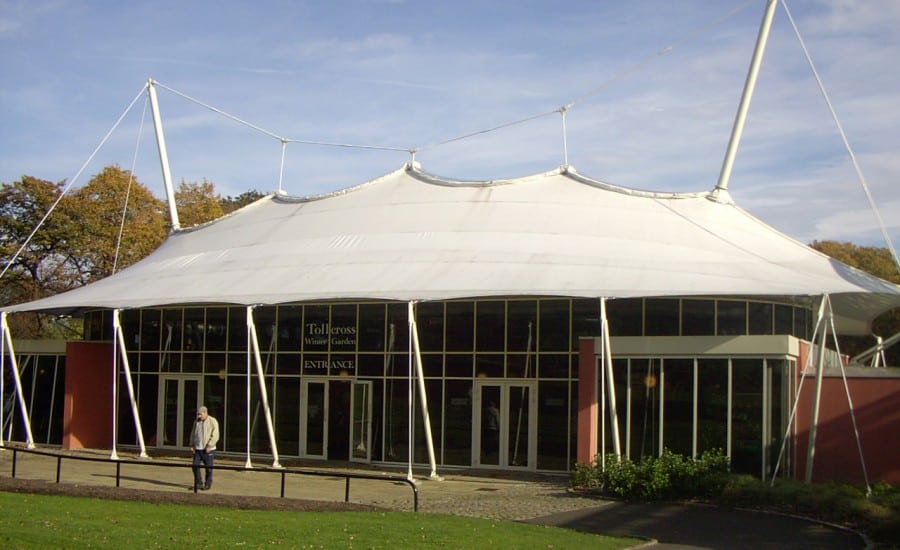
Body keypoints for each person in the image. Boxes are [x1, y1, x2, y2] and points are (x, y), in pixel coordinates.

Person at [189, 406, 219, 490]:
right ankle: (198, 483)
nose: (199, 416)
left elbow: (216, 435)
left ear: (205, 413)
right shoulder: (196, 422)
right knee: (195, 466)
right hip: (198, 449)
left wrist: (209, 445)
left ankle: (208, 484)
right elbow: (193, 433)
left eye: (200, 414)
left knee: (209, 468)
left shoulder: (212, 421)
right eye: (198, 414)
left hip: (208, 449)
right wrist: (191, 444)